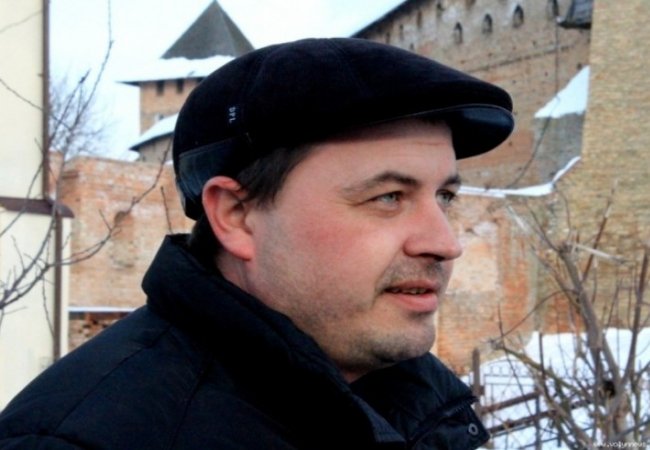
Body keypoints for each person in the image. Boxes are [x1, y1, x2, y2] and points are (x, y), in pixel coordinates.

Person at [0, 38, 513, 449]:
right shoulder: (80, 439)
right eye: (388, 197)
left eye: (444, 196)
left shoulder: (415, 399)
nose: (445, 243)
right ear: (237, 216)